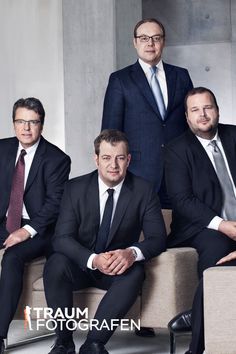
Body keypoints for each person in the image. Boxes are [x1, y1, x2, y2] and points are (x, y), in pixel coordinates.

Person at [44, 129, 166, 354]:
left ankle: (94, 343)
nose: (114, 165)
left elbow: (158, 238)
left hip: (117, 268)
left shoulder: (143, 190)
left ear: (128, 160)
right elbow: (61, 238)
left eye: (120, 158)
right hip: (82, 264)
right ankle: (63, 341)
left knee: (136, 272)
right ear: (96, 159)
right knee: (56, 263)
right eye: (107, 158)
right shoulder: (75, 188)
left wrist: (131, 253)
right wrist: (92, 259)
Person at [165, 87, 236, 354]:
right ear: (187, 117)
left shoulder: (234, 135)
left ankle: (195, 316)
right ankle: (197, 349)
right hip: (202, 226)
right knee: (218, 252)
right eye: (195, 110)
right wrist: (223, 225)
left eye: (207, 108)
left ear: (217, 110)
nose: (202, 114)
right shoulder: (176, 150)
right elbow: (182, 201)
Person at [0, 97, 71, 354]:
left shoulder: (57, 159)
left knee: (12, 257)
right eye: (21, 121)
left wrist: (25, 231)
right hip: (5, 220)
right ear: (13, 124)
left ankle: (0, 334)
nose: (26, 128)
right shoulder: (2, 149)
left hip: (40, 228)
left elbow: (53, 205)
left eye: (33, 122)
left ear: (42, 125)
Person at [102, 18, 193, 209]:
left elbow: (191, 124)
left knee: (182, 233)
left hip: (179, 170)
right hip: (138, 173)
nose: (150, 43)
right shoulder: (120, 79)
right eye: (144, 38)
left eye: (156, 38)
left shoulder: (181, 75)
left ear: (163, 42)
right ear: (135, 42)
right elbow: (110, 133)